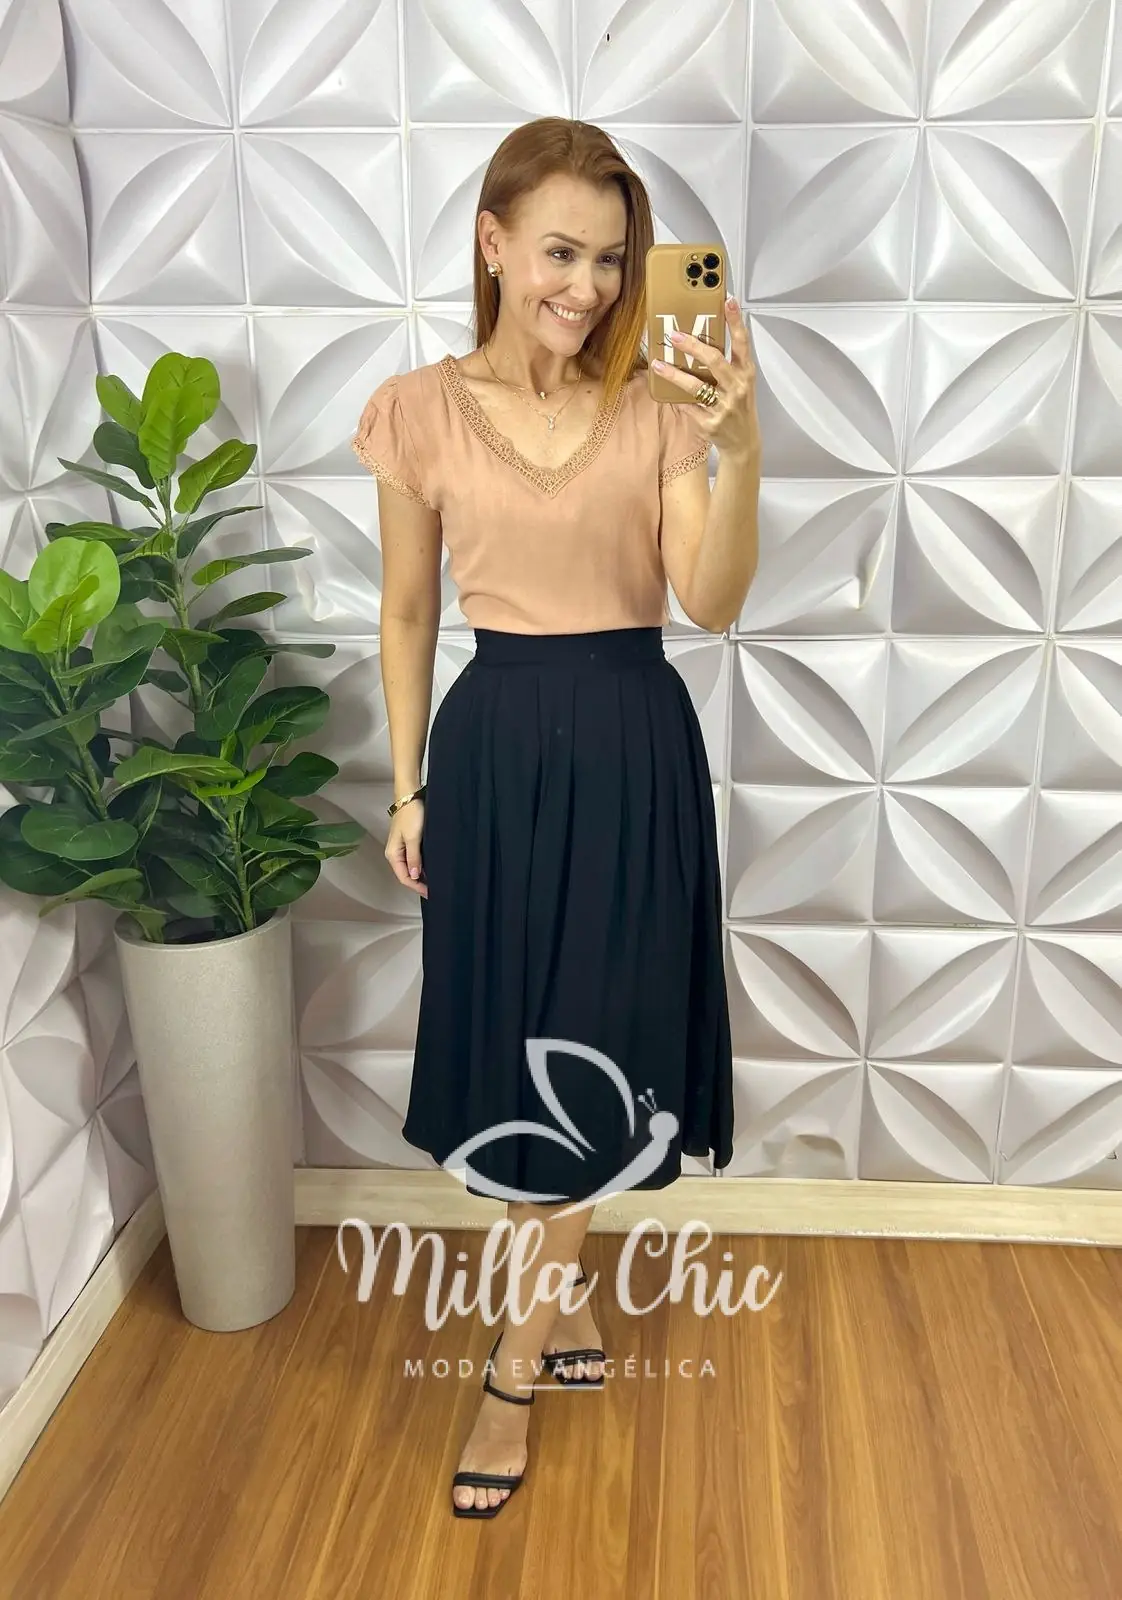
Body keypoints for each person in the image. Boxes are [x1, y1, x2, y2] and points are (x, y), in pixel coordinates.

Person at [352, 116, 760, 1519]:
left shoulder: (659, 403)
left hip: (632, 752)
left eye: (613, 259)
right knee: (522, 1047)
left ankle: (508, 1378)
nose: (587, 286)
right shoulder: (413, 411)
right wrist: (407, 784)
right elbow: (407, 613)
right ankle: (563, 1298)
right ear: (493, 243)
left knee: (595, 1043)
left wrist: (742, 446)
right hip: (493, 757)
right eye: (560, 252)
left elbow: (711, 601)